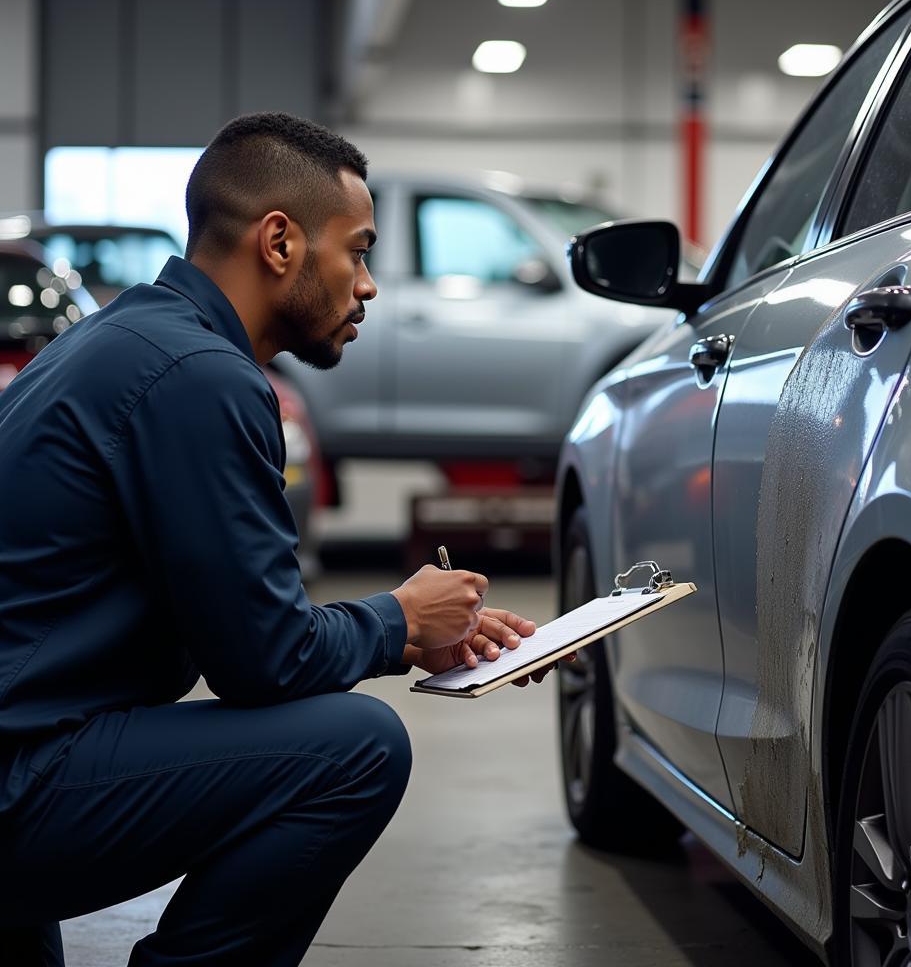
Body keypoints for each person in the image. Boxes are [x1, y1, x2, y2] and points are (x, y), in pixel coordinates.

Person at [0, 112, 554, 966]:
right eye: (359, 250)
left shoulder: (117, 343)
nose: (368, 284)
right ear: (280, 243)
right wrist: (398, 621)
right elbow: (265, 657)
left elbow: (240, 616)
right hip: (20, 777)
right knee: (356, 748)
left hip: (25, 739)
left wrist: (409, 632)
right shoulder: (201, 377)